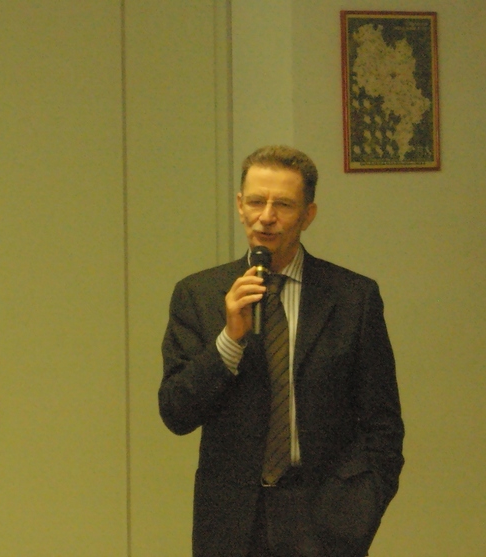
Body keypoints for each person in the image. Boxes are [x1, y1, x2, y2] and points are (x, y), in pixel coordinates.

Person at [159, 145, 404, 557]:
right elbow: (176, 413)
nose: (266, 216)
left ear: (307, 214)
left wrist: (361, 506)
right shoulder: (198, 295)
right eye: (256, 201)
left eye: (283, 205)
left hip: (326, 518)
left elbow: (382, 421)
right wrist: (229, 340)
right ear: (240, 206)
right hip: (232, 521)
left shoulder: (353, 298)